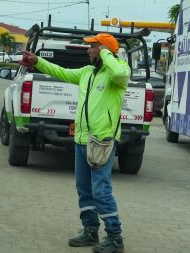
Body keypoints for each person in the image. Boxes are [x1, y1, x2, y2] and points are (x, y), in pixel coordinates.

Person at [20, 33, 130, 253]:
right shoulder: (87, 73)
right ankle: (90, 230)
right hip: (81, 140)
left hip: (101, 141)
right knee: (84, 189)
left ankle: (115, 237)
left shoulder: (116, 75)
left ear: (104, 50)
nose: (88, 50)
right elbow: (60, 72)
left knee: (101, 191)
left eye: (92, 47)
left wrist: (107, 52)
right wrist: (37, 62)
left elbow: (120, 70)